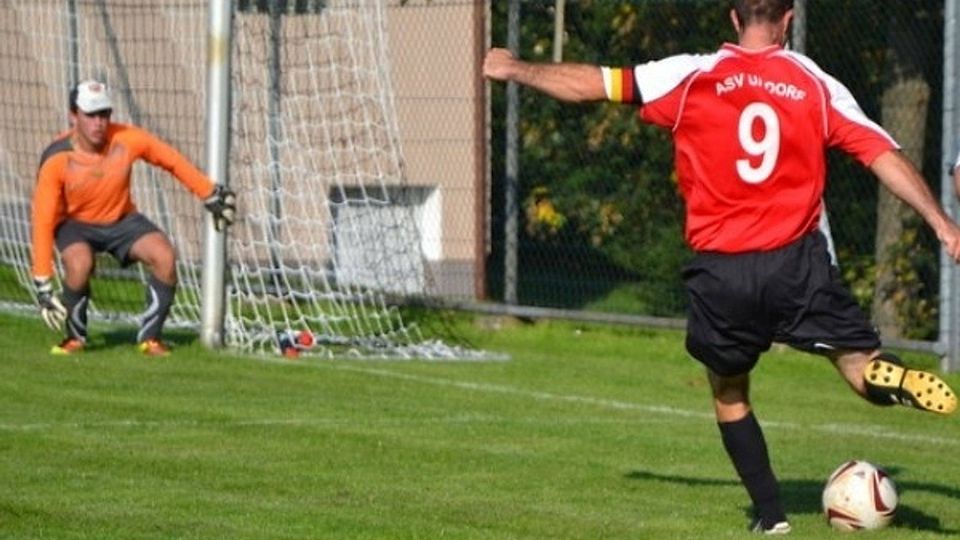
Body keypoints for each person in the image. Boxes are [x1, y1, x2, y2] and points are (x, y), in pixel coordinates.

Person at [484, 0, 959, 534]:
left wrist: (517, 69)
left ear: (734, 19)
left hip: (721, 271)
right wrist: (941, 223)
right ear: (787, 20)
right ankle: (885, 375)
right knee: (858, 366)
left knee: (729, 391)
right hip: (796, 263)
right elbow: (881, 156)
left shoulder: (690, 74)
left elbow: (593, 83)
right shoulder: (815, 83)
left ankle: (772, 516)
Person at [31, 79, 236, 357]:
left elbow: (170, 159)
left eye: (104, 114)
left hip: (121, 220)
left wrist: (207, 192)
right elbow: (42, 220)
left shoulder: (126, 138)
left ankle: (150, 339)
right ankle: (75, 337)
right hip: (75, 225)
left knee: (164, 256)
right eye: (90, 115)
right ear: (73, 116)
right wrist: (42, 280)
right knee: (79, 264)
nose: (98, 122)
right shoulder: (56, 158)